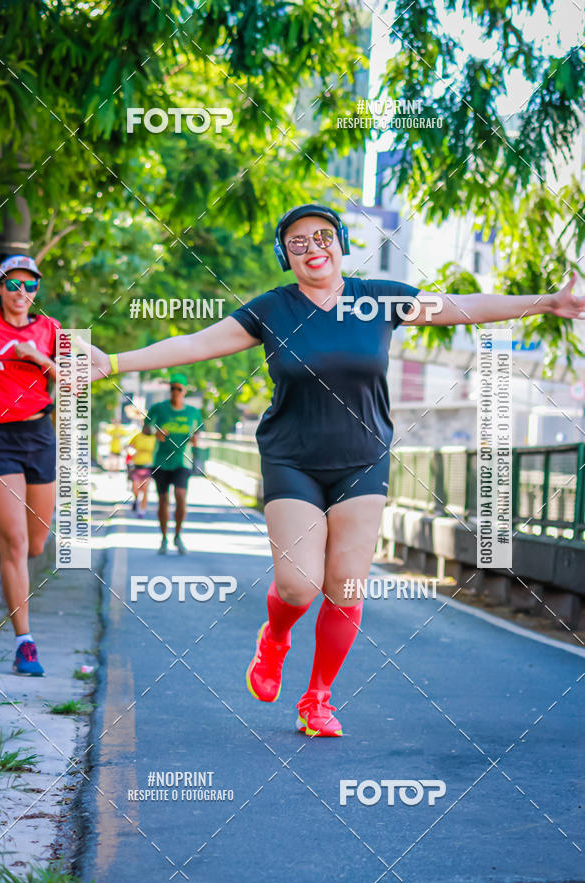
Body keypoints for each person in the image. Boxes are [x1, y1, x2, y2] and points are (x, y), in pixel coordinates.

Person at [87, 203, 585, 736]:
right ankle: (275, 638)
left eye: (322, 236)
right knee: (299, 585)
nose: (312, 248)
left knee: (347, 585)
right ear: (286, 255)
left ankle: (318, 699)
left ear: (341, 243)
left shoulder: (378, 300)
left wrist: (548, 302)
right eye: (297, 242)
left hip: (363, 458)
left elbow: (460, 307)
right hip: (291, 458)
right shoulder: (272, 310)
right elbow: (196, 344)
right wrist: (113, 363)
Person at [0, 254, 61, 676]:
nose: (22, 293)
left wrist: (37, 357)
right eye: (13, 285)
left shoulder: (49, 329)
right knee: (14, 542)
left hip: (39, 434)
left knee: (34, 546)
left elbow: (72, 379)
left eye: (29, 286)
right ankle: (24, 643)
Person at [145, 374, 202, 554]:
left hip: (182, 461)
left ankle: (177, 535)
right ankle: (163, 538)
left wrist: (195, 439)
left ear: (185, 391)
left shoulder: (193, 412)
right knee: (163, 500)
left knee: (180, 495)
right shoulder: (158, 408)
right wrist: (155, 431)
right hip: (161, 461)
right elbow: (145, 429)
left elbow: (197, 436)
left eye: (179, 389)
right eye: (172, 388)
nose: (175, 392)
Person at [126, 428, 156, 516]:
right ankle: (136, 499)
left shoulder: (155, 438)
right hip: (137, 466)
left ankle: (142, 510)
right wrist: (132, 453)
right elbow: (129, 447)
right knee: (136, 488)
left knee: (145, 489)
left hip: (148, 467)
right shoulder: (137, 436)